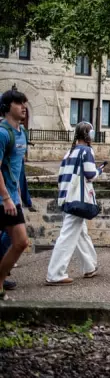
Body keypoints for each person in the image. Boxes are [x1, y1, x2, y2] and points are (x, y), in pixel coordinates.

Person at [45, 122, 102, 285]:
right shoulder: (87, 151)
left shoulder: (70, 152)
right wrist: (99, 171)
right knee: (68, 236)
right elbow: (90, 174)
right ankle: (55, 273)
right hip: (78, 199)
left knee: (80, 233)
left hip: (66, 197)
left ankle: (89, 266)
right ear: (88, 135)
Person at [0, 90, 31, 299]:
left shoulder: (22, 133)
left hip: (12, 198)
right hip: (3, 199)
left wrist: (17, 194)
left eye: (24, 103)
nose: (23, 106)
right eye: (18, 102)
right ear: (7, 106)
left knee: (21, 242)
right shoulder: (2, 133)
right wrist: (6, 197)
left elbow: (16, 167)